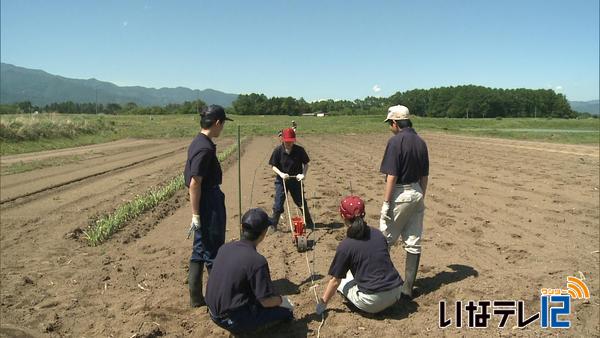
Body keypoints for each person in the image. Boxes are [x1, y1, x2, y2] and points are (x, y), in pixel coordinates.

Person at [206, 208, 294, 334]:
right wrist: (282, 300)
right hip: (231, 318)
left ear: (242, 228)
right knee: (286, 312)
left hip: (212, 311)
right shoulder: (257, 261)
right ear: (263, 233)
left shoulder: (225, 248)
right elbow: (266, 301)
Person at [316, 196, 404, 315]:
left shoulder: (345, 245)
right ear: (364, 214)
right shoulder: (378, 234)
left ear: (342, 216)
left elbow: (335, 281)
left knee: (343, 281)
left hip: (373, 302)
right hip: (396, 292)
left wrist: (323, 303)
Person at [183, 104, 232, 307]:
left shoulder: (200, 141)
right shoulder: (204, 148)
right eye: (223, 124)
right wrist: (196, 215)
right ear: (217, 123)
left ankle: (196, 298)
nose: (223, 129)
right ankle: (217, 298)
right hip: (208, 202)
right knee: (213, 250)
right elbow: (195, 183)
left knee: (200, 248)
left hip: (207, 199)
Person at [379, 105, 429, 298]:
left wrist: (386, 203)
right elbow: (425, 176)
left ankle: (384, 283)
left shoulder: (395, 142)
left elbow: (392, 176)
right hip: (417, 191)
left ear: (395, 123)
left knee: (384, 239)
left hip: (400, 193)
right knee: (413, 242)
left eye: (389, 124)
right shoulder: (420, 142)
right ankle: (407, 288)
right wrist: (420, 197)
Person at [268, 127, 313, 230]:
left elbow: (306, 164)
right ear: (282, 140)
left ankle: (309, 222)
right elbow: (273, 166)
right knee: (278, 203)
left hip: (295, 181)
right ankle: (273, 225)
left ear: (294, 140)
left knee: (301, 202)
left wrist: (303, 175)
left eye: (291, 141)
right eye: (287, 141)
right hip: (281, 180)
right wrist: (281, 174)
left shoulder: (299, 150)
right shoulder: (278, 150)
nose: (289, 143)